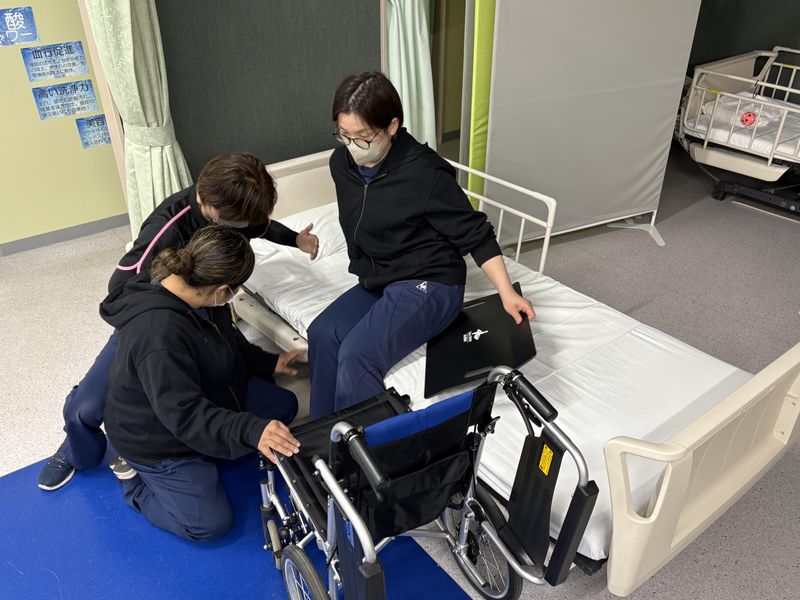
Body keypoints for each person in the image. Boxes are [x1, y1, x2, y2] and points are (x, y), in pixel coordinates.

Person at [38, 152, 318, 491]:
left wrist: (296, 240)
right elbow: (118, 290)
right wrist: (162, 317)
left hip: (203, 308)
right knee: (85, 408)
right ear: (214, 210)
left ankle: (187, 441)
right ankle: (75, 450)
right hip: (151, 315)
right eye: (242, 223)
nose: (250, 228)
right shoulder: (167, 227)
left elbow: (261, 225)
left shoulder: (235, 207)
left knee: (211, 382)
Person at [307, 72, 535, 419]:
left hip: (430, 282)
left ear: (392, 126)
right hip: (379, 276)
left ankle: (368, 450)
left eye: (363, 137)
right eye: (344, 135)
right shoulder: (341, 164)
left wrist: (506, 293)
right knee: (322, 333)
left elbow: (476, 232)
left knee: (357, 354)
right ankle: (322, 437)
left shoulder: (424, 173)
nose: (353, 147)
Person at [101, 225, 302, 541]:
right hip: (156, 437)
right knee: (210, 525)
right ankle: (133, 481)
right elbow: (185, 416)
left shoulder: (201, 296)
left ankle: (214, 450)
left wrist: (269, 362)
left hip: (201, 393)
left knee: (283, 407)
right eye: (235, 290)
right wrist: (250, 430)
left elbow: (229, 342)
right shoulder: (159, 335)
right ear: (223, 290)